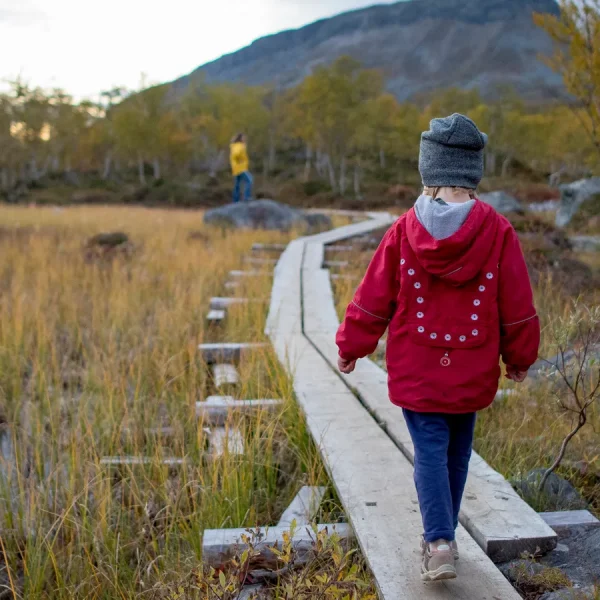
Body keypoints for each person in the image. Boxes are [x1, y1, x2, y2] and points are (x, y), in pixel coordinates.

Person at [335, 113, 540, 582]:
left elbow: (374, 296)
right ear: (473, 173)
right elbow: (517, 300)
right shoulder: (498, 230)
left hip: (417, 365)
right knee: (457, 452)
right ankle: (442, 537)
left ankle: (439, 542)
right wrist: (521, 356)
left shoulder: (404, 231)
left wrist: (351, 345)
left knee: (429, 451)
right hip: (472, 364)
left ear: (429, 171)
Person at [230, 133, 253, 203]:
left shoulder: (235, 146)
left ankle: (235, 200)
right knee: (249, 180)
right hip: (240, 168)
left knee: (237, 185)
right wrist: (240, 160)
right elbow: (236, 154)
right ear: (240, 138)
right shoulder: (239, 146)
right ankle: (247, 197)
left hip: (236, 168)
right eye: (243, 137)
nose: (245, 139)